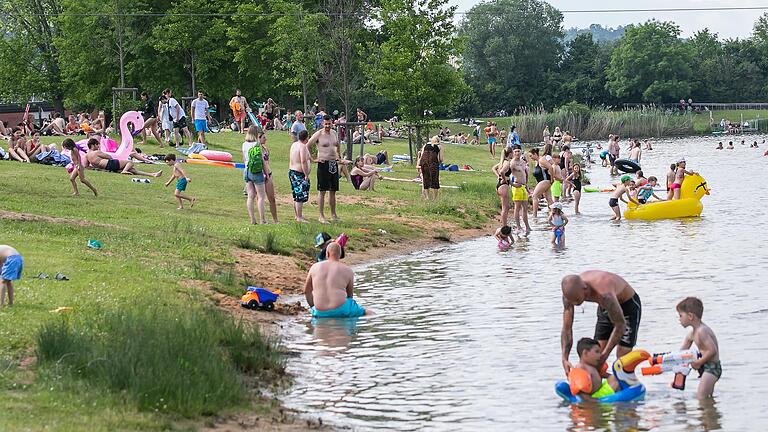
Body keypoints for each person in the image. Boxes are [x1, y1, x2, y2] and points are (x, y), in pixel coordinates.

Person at [561, 271, 642, 374]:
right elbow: (567, 328)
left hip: (627, 306)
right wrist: (565, 358)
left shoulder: (604, 294)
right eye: (572, 301)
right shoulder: (569, 296)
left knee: (621, 357)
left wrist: (605, 355)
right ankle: (596, 381)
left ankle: (624, 380)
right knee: (594, 355)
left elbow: (620, 325)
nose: (575, 304)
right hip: (606, 307)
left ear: (585, 288)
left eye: (577, 300)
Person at [304, 242, 369, 318]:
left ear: (327, 254)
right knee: (368, 312)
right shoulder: (348, 270)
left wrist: (313, 307)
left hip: (320, 311)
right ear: (340, 255)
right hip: (341, 309)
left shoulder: (314, 267)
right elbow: (350, 297)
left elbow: (306, 291)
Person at [677, 297, 721, 399]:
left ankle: (706, 413)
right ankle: (710, 414)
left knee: (701, 397)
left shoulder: (702, 331)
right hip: (706, 368)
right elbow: (680, 353)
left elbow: (712, 350)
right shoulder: (691, 334)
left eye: (680, 315)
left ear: (690, 316)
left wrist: (698, 362)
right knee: (707, 397)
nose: (679, 319)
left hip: (712, 368)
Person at [308, 115, 341, 223]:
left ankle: (333, 214)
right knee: (322, 191)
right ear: (323, 123)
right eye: (325, 124)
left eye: (329, 124)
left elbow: (337, 145)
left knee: (333, 190)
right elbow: (308, 145)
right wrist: (313, 159)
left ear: (332, 123)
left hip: (333, 163)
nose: (327, 126)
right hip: (323, 163)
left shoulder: (334, 133)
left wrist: (338, 156)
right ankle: (321, 216)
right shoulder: (319, 134)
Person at [85, 138, 162, 177]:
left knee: (132, 170)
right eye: (97, 145)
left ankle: (153, 174)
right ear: (93, 145)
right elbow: (108, 156)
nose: (98, 146)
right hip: (109, 164)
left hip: (106, 167)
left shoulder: (87, 155)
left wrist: (96, 168)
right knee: (129, 162)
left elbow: (86, 166)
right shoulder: (96, 152)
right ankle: (124, 171)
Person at [242, 126, 270, 224]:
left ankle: (252, 219)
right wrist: (267, 174)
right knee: (261, 196)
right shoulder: (257, 145)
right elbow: (263, 161)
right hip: (257, 172)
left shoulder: (244, 144)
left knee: (250, 196)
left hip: (247, 171)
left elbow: (244, 159)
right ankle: (262, 219)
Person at [289, 129, 312, 222]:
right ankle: (299, 217)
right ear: (307, 137)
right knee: (300, 196)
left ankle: (297, 215)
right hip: (299, 173)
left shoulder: (294, 144)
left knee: (296, 194)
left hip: (292, 171)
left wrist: (313, 160)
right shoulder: (302, 146)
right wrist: (306, 174)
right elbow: (303, 161)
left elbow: (308, 157)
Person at [258, 131, 280, 223]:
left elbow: (267, 162)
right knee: (260, 198)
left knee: (272, 198)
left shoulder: (265, 149)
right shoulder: (255, 149)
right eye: (264, 137)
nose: (266, 139)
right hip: (260, 175)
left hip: (269, 174)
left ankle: (275, 220)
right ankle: (262, 219)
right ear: (259, 138)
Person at [508, 145, 531, 233]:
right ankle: (518, 227)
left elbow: (525, 175)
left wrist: (527, 188)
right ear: (513, 153)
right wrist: (512, 184)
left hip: (523, 187)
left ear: (521, 152)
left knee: (525, 208)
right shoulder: (512, 163)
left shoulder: (522, 162)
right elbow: (505, 174)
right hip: (517, 187)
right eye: (515, 151)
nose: (517, 153)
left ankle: (527, 227)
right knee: (517, 208)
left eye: (518, 151)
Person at [529, 147, 554, 218]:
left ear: (535, 154)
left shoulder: (541, 160)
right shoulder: (537, 162)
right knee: (549, 199)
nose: (531, 158)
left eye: (531, 156)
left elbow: (551, 167)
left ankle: (534, 216)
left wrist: (552, 179)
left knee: (534, 196)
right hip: (542, 182)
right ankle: (554, 214)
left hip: (545, 181)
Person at [418, 136, 444, 200]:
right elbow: (441, 158)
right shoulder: (440, 146)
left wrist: (418, 165)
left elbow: (421, 156)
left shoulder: (425, 145)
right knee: (435, 180)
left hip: (424, 163)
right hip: (433, 164)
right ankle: (434, 198)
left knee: (425, 179)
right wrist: (439, 163)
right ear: (438, 141)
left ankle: (427, 197)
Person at [492, 148, 513, 225]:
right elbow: (502, 171)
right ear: (510, 153)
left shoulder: (502, 162)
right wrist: (504, 179)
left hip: (499, 185)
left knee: (505, 207)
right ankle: (504, 225)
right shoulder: (507, 163)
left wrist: (498, 176)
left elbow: (493, 168)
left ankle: (504, 223)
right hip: (503, 185)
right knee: (505, 208)